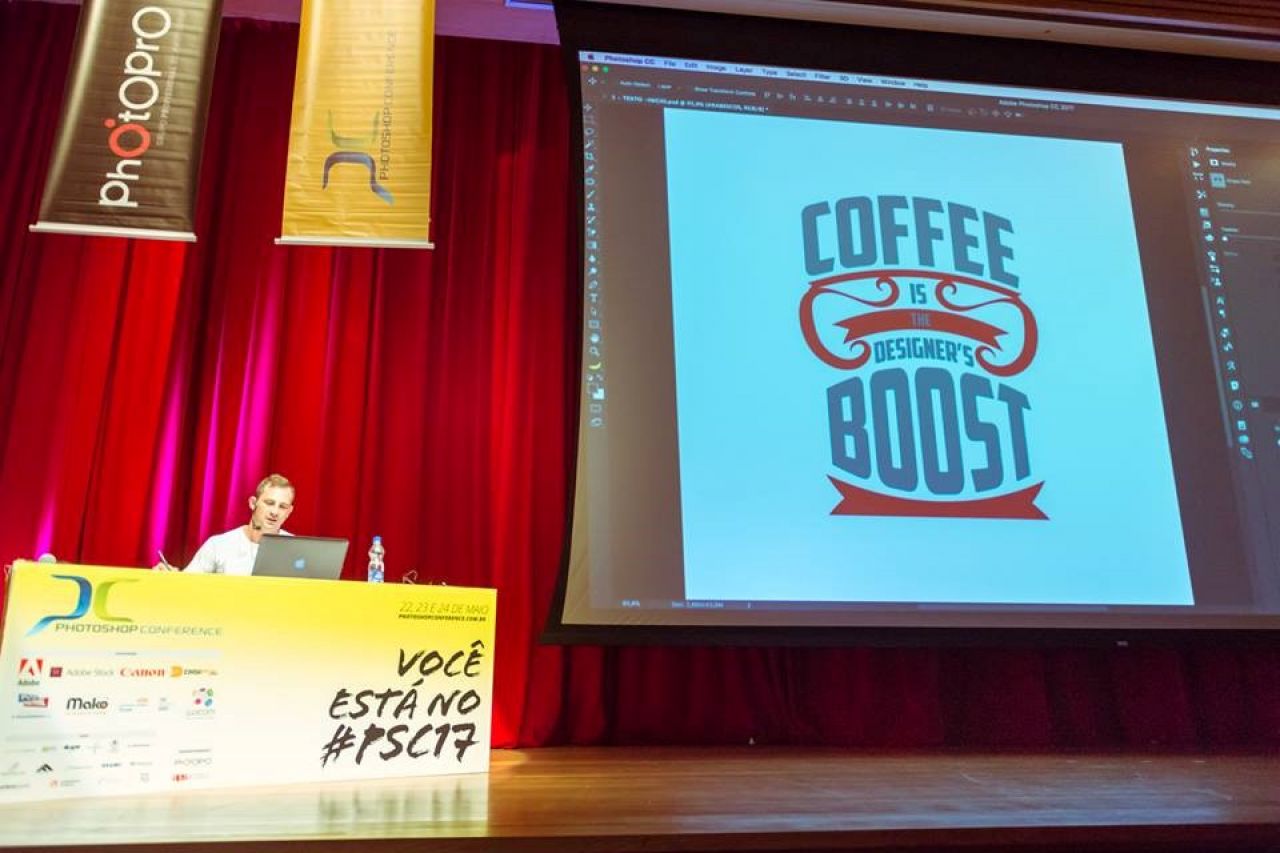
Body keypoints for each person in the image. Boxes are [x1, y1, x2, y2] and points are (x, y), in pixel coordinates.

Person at [155, 474, 296, 575]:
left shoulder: (295, 550)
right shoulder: (219, 545)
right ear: (253, 503)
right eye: (269, 503)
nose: (274, 512)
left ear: (289, 512)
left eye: (282, 506)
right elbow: (188, 585)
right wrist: (171, 577)